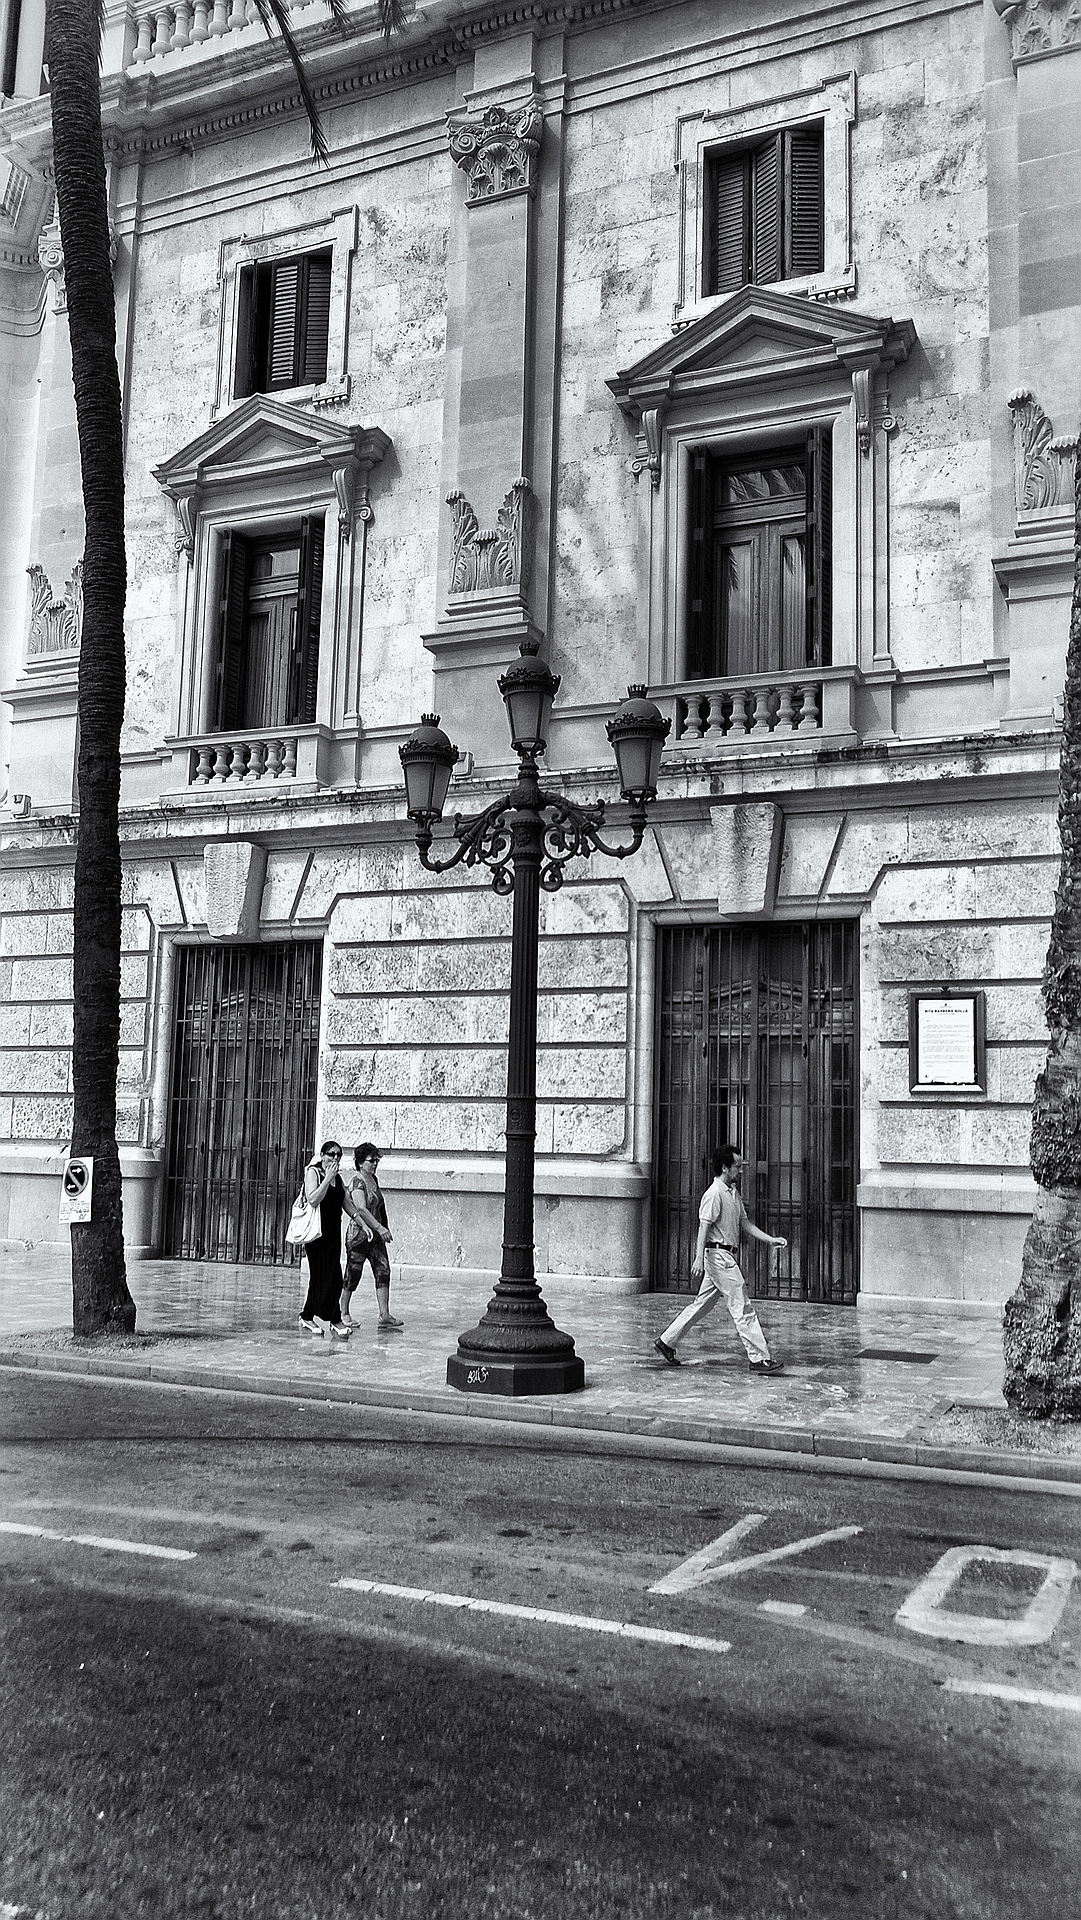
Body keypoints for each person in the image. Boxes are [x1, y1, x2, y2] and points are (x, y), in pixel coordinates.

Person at [654, 1144, 787, 1375]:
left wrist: (769, 1239)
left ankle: (666, 1342)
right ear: (725, 1168)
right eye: (737, 1166)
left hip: (723, 1257)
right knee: (742, 1305)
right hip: (719, 1258)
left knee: (701, 1305)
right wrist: (697, 1258)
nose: (741, 1170)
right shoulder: (714, 1194)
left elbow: (745, 1223)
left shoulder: (732, 1193)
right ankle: (759, 1358)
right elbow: (703, 1228)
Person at [298, 1142, 371, 1339]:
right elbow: (313, 1199)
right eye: (331, 1154)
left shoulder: (338, 1179)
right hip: (316, 1235)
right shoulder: (314, 1173)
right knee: (324, 1277)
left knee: (333, 1277)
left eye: (339, 1155)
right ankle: (335, 1319)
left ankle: (307, 1315)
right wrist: (327, 1177)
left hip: (332, 1235)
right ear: (322, 1155)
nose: (335, 1158)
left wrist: (363, 1224)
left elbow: (347, 1203)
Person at [342, 1143, 399, 1331]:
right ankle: (344, 1312)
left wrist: (384, 1229)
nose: (375, 1163)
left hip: (375, 1237)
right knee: (353, 1273)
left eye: (377, 1160)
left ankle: (384, 1314)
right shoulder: (358, 1182)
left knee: (383, 1270)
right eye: (371, 1160)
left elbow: (380, 1207)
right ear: (360, 1162)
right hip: (359, 1235)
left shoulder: (373, 1179)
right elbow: (361, 1209)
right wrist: (379, 1227)